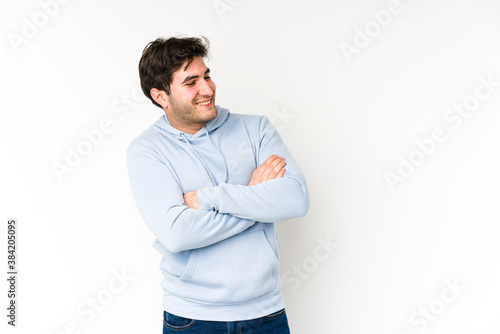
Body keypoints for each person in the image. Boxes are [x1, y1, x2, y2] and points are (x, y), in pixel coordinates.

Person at [127, 36, 309, 333]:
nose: (207, 89)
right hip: (191, 319)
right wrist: (255, 197)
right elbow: (177, 233)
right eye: (191, 82)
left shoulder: (256, 129)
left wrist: (209, 197)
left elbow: (296, 199)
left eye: (206, 75)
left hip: (266, 314)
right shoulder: (147, 150)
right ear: (161, 96)